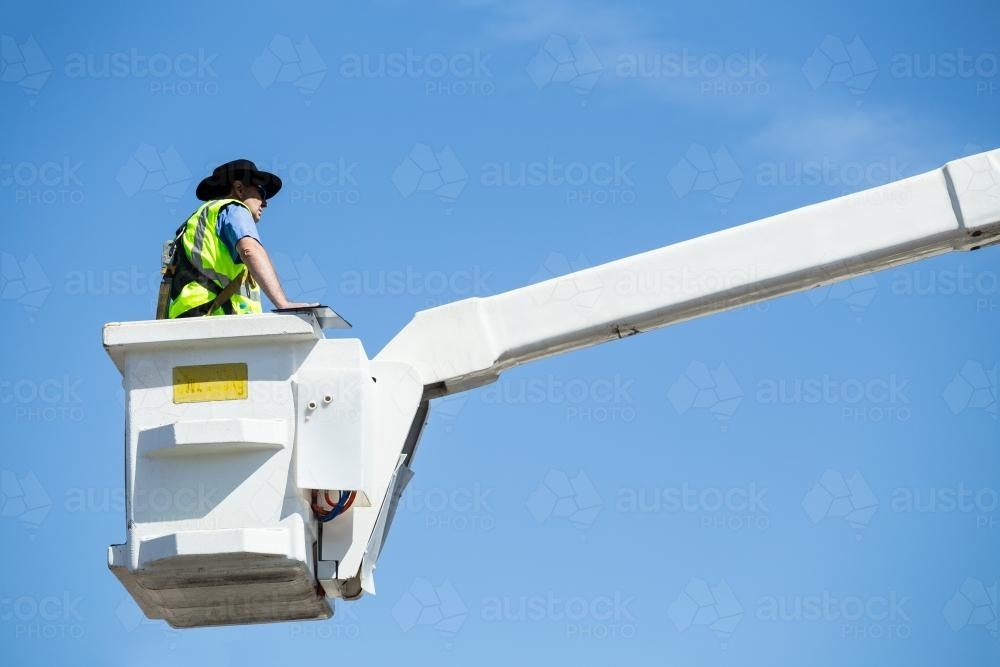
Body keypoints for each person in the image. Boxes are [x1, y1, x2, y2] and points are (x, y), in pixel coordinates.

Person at [166, 159, 316, 318]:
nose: (265, 203)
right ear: (239, 188)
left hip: (186, 316)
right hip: (216, 316)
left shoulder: (195, 223)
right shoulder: (234, 208)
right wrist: (283, 304)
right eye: (261, 193)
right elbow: (250, 249)